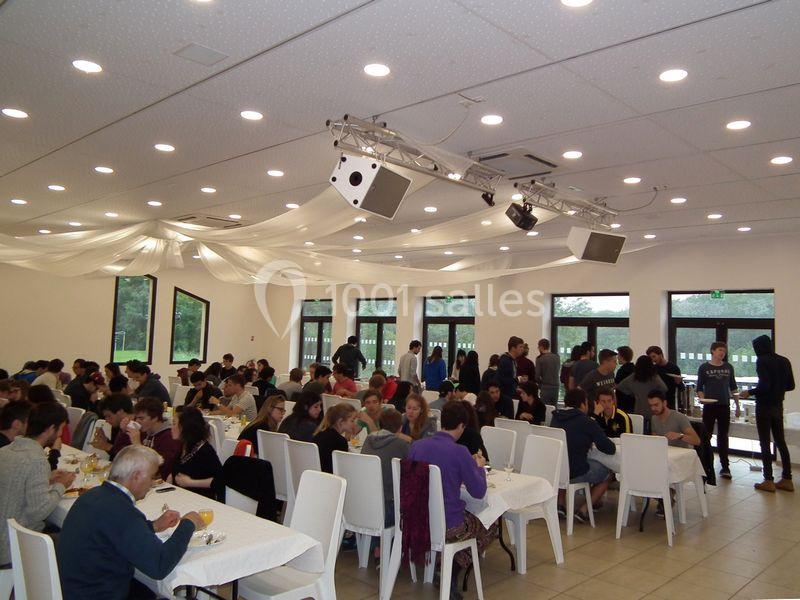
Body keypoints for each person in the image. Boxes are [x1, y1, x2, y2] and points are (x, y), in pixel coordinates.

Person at [57, 445, 205, 600]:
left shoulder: (91, 496)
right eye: (152, 477)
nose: (153, 483)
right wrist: (188, 524)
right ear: (136, 476)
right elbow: (159, 565)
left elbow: (114, 533)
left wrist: (152, 526)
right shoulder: (122, 511)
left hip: (73, 589)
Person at [408, 400, 495, 596]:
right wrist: (479, 468)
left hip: (418, 519)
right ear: (462, 425)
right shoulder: (459, 452)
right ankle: (450, 570)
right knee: (490, 526)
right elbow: (479, 491)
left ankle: (443, 564)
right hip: (448, 525)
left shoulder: (417, 446)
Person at [0, 402, 75, 565]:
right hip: (14, 546)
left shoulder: (6, 450)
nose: (61, 433)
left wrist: (47, 479)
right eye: (60, 429)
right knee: (79, 539)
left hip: (3, 534)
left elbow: (15, 483)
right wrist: (61, 485)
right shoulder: (37, 460)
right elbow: (39, 511)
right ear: (50, 429)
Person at [550, 389, 616, 521]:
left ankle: (560, 504)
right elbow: (609, 448)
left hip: (556, 469)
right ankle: (584, 510)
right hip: (576, 471)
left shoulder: (555, 418)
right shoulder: (586, 422)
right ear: (582, 405)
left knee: (565, 459)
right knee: (608, 472)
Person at [740, 335, 795, 493]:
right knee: (781, 442)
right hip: (778, 405)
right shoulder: (784, 360)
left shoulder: (762, 361)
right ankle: (787, 478)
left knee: (765, 442)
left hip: (764, 406)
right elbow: (791, 386)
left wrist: (749, 392)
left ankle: (768, 480)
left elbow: (764, 386)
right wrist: (778, 389)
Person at [696, 341, 740, 480]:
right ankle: (703, 463)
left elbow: (733, 387)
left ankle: (725, 466)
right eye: (720, 350)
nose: (722, 353)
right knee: (706, 435)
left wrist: (737, 405)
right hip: (709, 406)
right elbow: (699, 387)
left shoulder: (728, 367)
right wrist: (702, 399)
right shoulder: (704, 367)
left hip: (724, 405)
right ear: (713, 351)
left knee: (723, 436)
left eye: (724, 351)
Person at [361, 409, 409, 527]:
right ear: (400, 428)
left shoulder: (368, 440)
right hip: (388, 507)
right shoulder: (401, 444)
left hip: (365, 503)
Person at [117, 397, 182, 480]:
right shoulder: (143, 431)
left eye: (141, 418)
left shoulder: (169, 437)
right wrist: (123, 432)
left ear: (155, 418)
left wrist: (138, 445)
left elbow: (160, 469)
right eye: (136, 418)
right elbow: (120, 454)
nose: (137, 421)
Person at [170, 406, 222, 498]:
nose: (171, 428)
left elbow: (220, 481)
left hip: (199, 499)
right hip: (181, 496)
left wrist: (191, 482)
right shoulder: (183, 445)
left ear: (184, 427)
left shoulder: (204, 451)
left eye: (174, 424)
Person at [313, 403, 358, 473]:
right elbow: (343, 468)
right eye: (352, 420)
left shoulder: (319, 433)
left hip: (318, 475)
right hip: (332, 479)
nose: (355, 424)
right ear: (341, 422)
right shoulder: (340, 441)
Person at [91, 393, 134, 459]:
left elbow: (130, 458)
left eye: (109, 416)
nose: (107, 420)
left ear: (120, 411)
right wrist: (105, 442)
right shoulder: (116, 426)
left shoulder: (136, 428)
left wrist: (107, 446)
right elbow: (114, 453)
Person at [647, 346, 683, 410]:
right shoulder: (653, 369)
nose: (653, 359)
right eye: (650, 357)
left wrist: (678, 382)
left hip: (669, 401)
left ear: (660, 355)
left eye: (654, 356)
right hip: (656, 401)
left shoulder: (673, 368)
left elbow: (681, 387)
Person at [497, 336, 524, 419]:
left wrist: (516, 387)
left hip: (510, 393)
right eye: (520, 347)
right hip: (505, 395)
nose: (522, 349)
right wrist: (518, 379)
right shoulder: (505, 361)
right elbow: (503, 379)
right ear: (513, 348)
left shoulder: (512, 360)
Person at [535, 339, 561, 406]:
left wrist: (541, 385)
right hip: (556, 386)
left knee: (545, 409)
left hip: (546, 386)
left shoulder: (540, 359)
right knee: (554, 408)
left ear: (541, 347)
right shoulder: (557, 357)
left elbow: (537, 376)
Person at [614, 346, 636, 414]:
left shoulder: (622, 371)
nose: (617, 358)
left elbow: (616, 385)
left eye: (618, 355)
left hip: (623, 401)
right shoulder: (634, 368)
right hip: (633, 400)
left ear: (622, 356)